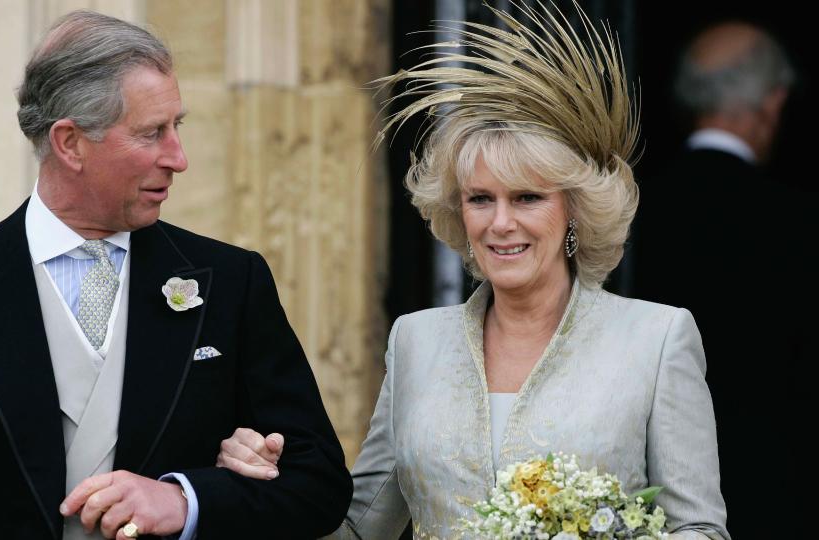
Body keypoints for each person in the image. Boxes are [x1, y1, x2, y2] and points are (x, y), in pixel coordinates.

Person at [216, 4, 730, 539]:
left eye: (528, 197)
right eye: (480, 199)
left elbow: (700, 528)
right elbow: (360, 526)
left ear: (574, 209)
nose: (501, 223)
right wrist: (263, 490)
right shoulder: (416, 340)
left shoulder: (657, 339)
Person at [0, 10, 351, 540]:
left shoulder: (232, 282)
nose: (178, 158)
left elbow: (319, 484)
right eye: (152, 133)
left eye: (177, 127)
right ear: (70, 143)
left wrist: (185, 500)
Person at [633, 21, 805, 536]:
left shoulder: (630, 214)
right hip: (780, 484)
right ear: (773, 104)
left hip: (653, 489)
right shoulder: (799, 222)